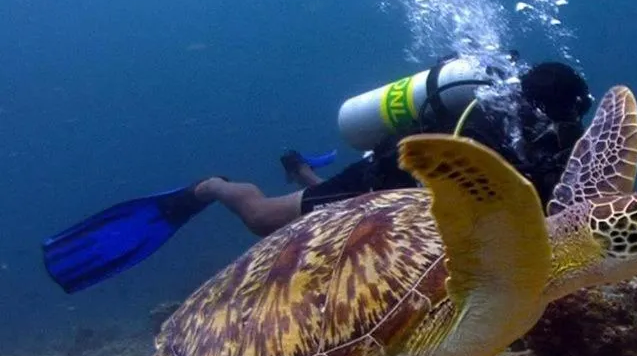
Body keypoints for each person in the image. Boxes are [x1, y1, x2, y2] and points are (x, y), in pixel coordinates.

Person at [41, 61, 592, 294]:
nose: (574, 127)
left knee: (328, 213)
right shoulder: (499, 124)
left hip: (412, 199)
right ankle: (213, 186)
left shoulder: (545, 135)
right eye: (571, 115)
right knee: (267, 220)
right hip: (387, 177)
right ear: (552, 108)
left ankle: (300, 172)